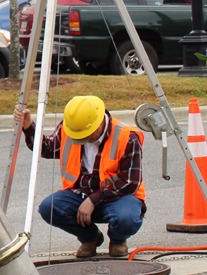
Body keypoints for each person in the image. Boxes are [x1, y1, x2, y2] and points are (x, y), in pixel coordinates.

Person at [13, 96, 145, 258]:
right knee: (49, 208)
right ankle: (90, 238)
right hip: (81, 194)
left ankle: (118, 240)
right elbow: (47, 148)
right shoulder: (70, 129)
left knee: (127, 217)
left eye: (86, 134)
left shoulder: (127, 137)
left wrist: (92, 200)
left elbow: (129, 182)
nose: (82, 138)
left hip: (117, 198)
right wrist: (28, 126)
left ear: (99, 122)